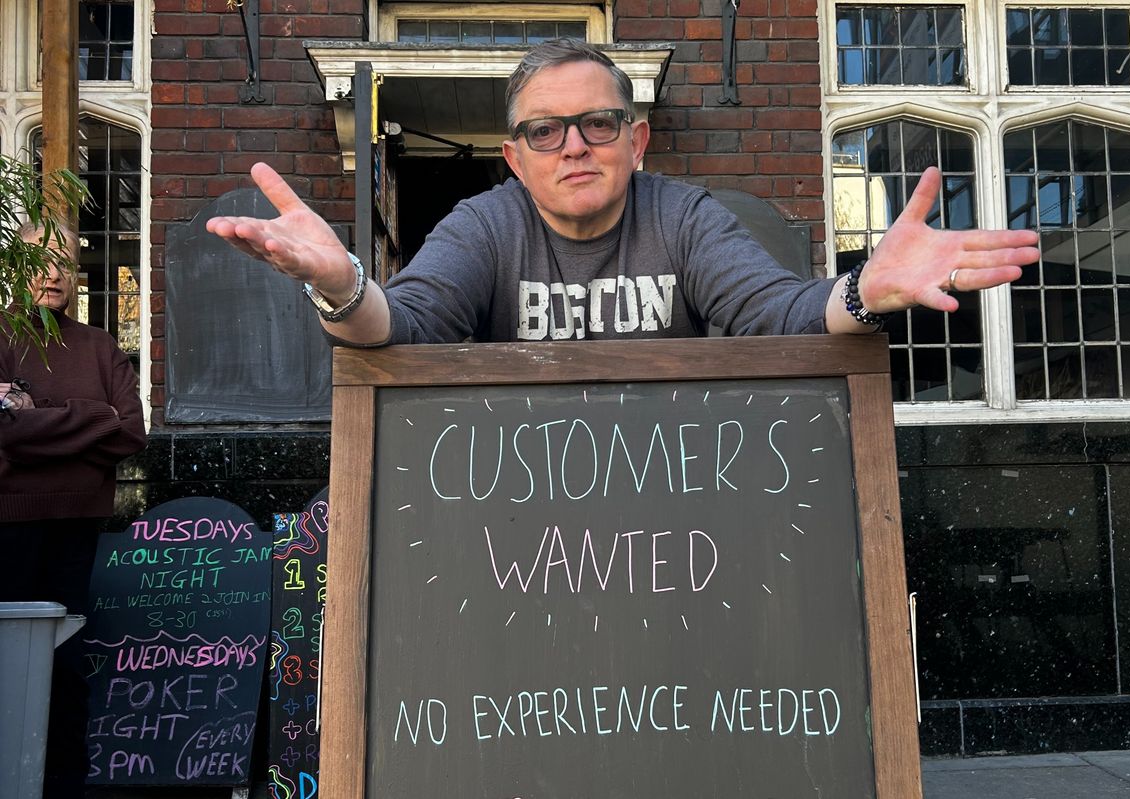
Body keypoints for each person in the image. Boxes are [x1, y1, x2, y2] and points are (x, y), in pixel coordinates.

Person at [207, 38, 1039, 346]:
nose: (573, 145)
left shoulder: (681, 216)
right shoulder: (483, 228)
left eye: (598, 123)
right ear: (515, 157)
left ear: (635, 141)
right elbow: (410, 327)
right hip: (510, 532)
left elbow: (775, 312)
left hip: (672, 529)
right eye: (546, 131)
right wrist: (342, 284)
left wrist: (865, 291)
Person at [0, 222, 147, 799]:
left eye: (63, 260)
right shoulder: (2, 337)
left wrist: (38, 416)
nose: (53, 272)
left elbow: (129, 432)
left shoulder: (98, 345)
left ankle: (64, 785)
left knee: (66, 661)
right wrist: (90, 417)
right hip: (7, 525)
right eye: (39, 260)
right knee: (10, 659)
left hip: (77, 525)